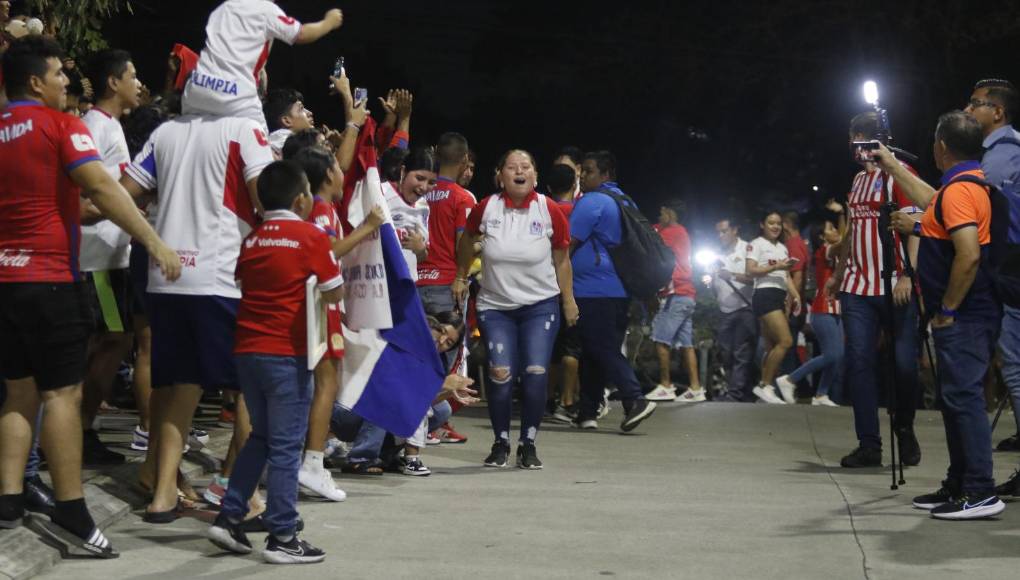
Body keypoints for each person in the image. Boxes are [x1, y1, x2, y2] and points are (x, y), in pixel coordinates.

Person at [0, 35, 180, 557]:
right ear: (35, 81)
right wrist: (152, 240)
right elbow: (102, 188)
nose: (65, 84)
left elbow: (66, 205)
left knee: (18, 391)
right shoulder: (62, 126)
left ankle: (10, 499)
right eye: (58, 75)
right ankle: (72, 510)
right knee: (62, 395)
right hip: (50, 279)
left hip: (7, 283)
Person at [121, 88, 275, 523]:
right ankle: (241, 497)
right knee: (251, 388)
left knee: (179, 386)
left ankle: (162, 494)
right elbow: (266, 200)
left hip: (166, 276)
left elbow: (123, 193)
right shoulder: (245, 130)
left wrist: (154, 233)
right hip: (221, 276)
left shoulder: (166, 131)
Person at [207, 161, 343, 563]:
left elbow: (241, 281)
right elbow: (334, 293)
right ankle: (283, 535)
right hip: (286, 353)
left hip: (247, 351)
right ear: (302, 199)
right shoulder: (311, 236)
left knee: (262, 439)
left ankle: (230, 517)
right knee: (285, 447)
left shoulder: (251, 240)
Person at [881, 112, 1004, 520]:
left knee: (964, 400)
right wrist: (894, 167)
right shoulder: (960, 186)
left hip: (966, 315)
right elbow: (933, 207)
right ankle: (960, 483)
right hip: (967, 315)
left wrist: (947, 309)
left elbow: (967, 255)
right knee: (954, 400)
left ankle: (980, 491)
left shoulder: (961, 191)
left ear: (942, 147)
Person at [452, 149, 577, 469]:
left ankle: (528, 443)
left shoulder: (549, 209)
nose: (519, 172)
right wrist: (461, 275)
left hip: (540, 306)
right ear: (500, 175)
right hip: (496, 307)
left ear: (535, 175)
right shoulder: (487, 208)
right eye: (511, 167)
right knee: (501, 373)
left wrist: (568, 300)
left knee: (536, 373)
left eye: (526, 167)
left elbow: (562, 259)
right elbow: (467, 239)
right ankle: (501, 442)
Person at [827, 111, 923, 469]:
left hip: (894, 283)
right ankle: (869, 444)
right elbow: (854, 230)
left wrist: (907, 276)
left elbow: (917, 224)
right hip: (857, 286)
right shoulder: (856, 181)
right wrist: (838, 272)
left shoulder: (899, 175)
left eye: (860, 137)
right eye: (854, 137)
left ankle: (904, 425)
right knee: (860, 363)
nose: (855, 145)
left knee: (903, 365)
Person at [77, 48, 142, 466]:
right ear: (113, 83)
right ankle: (77, 431)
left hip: (113, 255)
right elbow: (84, 199)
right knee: (107, 341)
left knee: (113, 341)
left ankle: (79, 429)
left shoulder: (111, 127)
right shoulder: (94, 128)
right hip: (98, 258)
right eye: (132, 75)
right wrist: (124, 206)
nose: (138, 83)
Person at [568, 150, 657, 431]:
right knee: (595, 349)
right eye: (582, 171)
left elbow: (566, 244)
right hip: (619, 290)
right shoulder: (624, 200)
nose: (582, 176)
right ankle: (587, 411)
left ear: (605, 174)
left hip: (593, 289)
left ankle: (635, 397)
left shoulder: (593, 201)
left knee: (600, 346)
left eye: (590, 171)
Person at [962, 79, 1020, 460]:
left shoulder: (1003, 155)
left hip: (1010, 266)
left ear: (997, 112)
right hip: (1009, 265)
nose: (967, 111)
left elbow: (977, 212)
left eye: (975, 103)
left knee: (1015, 365)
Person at [183, 0, 343, 125]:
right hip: (233, 94)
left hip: (196, 87)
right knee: (266, 161)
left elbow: (228, 50)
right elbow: (302, 34)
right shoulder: (266, 9)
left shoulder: (223, 8)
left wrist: (260, 68)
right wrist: (329, 22)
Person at [776, 218, 843, 407]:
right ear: (822, 237)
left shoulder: (837, 254)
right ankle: (789, 379)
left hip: (836, 309)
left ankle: (821, 394)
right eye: (831, 229)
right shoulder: (825, 251)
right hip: (823, 310)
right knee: (832, 355)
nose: (836, 230)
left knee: (838, 355)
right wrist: (850, 216)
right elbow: (846, 241)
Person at [647, 200, 702, 402]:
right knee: (687, 344)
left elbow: (650, 238)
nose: (659, 217)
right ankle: (695, 388)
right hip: (687, 295)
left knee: (660, 340)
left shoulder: (672, 232)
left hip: (675, 294)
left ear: (670, 214)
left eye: (662, 212)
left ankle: (665, 385)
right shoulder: (681, 232)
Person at [745, 211, 800, 404]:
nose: (776, 227)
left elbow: (786, 277)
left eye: (778, 223)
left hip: (778, 295)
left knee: (770, 346)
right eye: (771, 223)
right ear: (763, 224)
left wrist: (795, 295)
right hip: (764, 294)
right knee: (785, 341)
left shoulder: (783, 248)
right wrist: (774, 267)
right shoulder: (756, 244)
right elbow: (750, 270)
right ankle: (765, 386)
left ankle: (764, 387)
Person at [417, 132, 476, 313]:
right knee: (446, 341)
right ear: (465, 159)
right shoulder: (463, 198)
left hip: (413, 283)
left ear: (435, 153)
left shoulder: (416, 192)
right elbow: (463, 245)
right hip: (446, 285)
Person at [546, 163, 582, 422]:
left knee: (551, 348)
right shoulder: (580, 213)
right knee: (572, 347)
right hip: (575, 286)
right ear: (574, 185)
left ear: (548, 188)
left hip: (546, 286)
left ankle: (546, 398)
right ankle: (568, 401)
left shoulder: (545, 211)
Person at [709, 217, 757, 402]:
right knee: (726, 353)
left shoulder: (748, 249)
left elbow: (755, 278)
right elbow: (714, 282)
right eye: (717, 232)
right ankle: (737, 390)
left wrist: (733, 276)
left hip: (744, 308)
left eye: (724, 231)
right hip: (724, 310)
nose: (720, 236)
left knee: (741, 352)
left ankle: (736, 394)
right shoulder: (717, 254)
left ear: (735, 230)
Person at [382, 147, 434, 282]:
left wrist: (421, 250)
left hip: (407, 284)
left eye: (431, 182)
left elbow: (422, 256)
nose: (424, 187)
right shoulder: (381, 192)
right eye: (420, 178)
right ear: (403, 171)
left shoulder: (423, 206)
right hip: (380, 283)